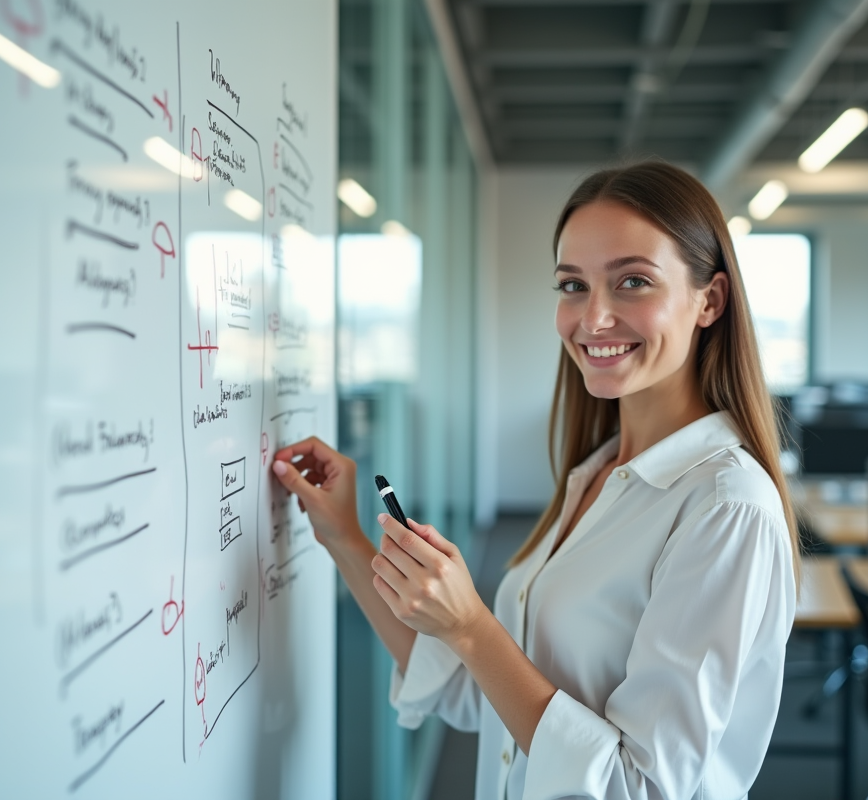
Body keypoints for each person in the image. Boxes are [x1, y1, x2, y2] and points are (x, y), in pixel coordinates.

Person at [271, 161, 799, 800]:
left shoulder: (725, 506)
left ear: (709, 301)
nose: (594, 317)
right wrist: (346, 539)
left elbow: (642, 789)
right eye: (572, 285)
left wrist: (473, 627)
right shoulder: (598, 473)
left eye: (633, 281)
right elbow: (484, 694)